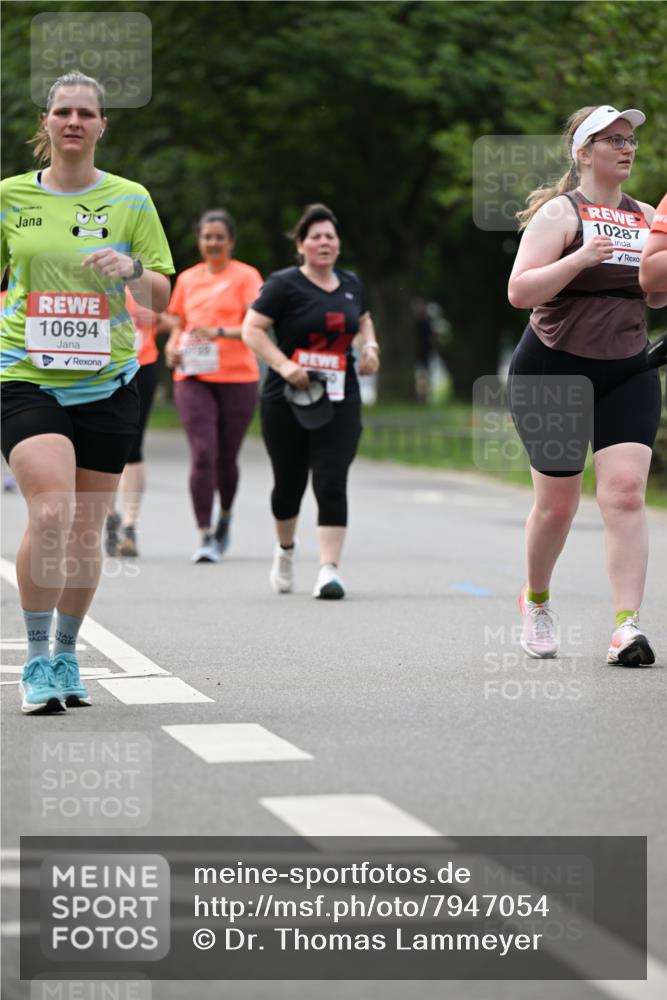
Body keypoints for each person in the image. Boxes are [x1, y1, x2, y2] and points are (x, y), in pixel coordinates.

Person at [0, 70, 173, 713]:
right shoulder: (10, 197)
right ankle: (37, 659)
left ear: (103, 125)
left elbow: (162, 297)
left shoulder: (131, 200)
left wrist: (132, 269)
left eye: (86, 113)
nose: (74, 121)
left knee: (85, 530)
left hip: (107, 380)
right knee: (50, 512)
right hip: (26, 376)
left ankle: (69, 654)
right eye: (63, 111)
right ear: (45, 123)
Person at [507, 105, 667, 667]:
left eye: (631, 141)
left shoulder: (648, 215)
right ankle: (537, 600)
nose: (627, 148)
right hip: (553, 369)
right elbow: (520, 292)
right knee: (558, 506)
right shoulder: (559, 213)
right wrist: (579, 258)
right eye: (614, 140)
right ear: (583, 151)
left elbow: (653, 293)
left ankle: (627, 627)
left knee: (624, 494)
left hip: (628, 368)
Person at [242, 203, 380, 599]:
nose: (324, 242)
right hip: (288, 397)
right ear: (301, 245)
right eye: (315, 236)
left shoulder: (352, 284)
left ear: (338, 246)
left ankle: (328, 570)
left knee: (332, 479)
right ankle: (285, 551)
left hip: (340, 394)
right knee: (288, 484)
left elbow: (364, 319)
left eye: (330, 237)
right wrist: (284, 366)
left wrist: (370, 347)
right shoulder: (283, 285)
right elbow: (252, 330)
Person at [165, 210, 262, 563]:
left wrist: (220, 332)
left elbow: (256, 325)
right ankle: (205, 534)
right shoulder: (188, 279)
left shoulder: (247, 276)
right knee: (204, 453)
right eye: (207, 237)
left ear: (231, 241)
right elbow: (177, 323)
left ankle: (225, 516)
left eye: (220, 236)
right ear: (200, 240)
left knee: (226, 457)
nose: (213, 243)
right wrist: (171, 346)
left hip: (238, 376)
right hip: (193, 377)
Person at [104, 289, 173, 557]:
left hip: (141, 366)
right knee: (105, 445)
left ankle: (131, 524)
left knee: (133, 445)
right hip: (103, 368)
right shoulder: (95, 279)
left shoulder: (142, 284)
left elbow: (171, 320)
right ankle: (110, 516)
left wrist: (155, 317)